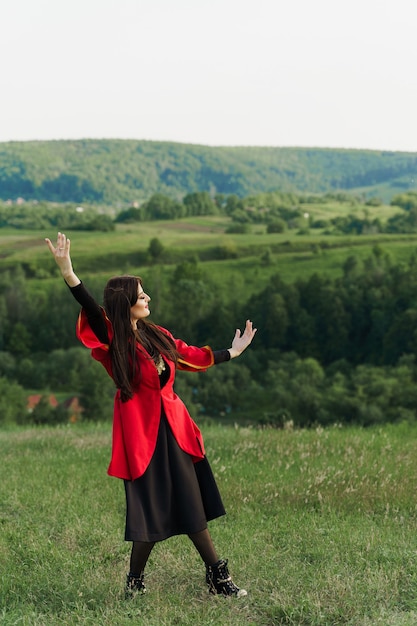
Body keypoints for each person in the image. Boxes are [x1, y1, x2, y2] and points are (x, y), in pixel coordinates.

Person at [45, 232, 257, 599]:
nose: (147, 299)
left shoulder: (157, 335)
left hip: (174, 432)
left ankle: (217, 577)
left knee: (191, 504)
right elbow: (93, 310)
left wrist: (232, 352)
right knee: (150, 513)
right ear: (126, 302)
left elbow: (189, 355)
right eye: (141, 295)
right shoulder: (115, 340)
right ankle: (134, 584)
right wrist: (69, 275)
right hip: (142, 437)